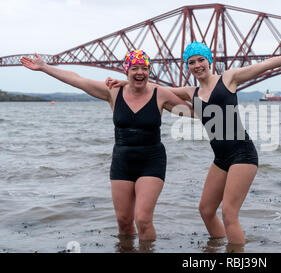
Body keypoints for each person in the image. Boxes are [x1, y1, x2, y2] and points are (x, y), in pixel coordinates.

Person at [106, 33, 281, 247]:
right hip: (221, 158)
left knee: (228, 213)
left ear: (209, 60)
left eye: (200, 60)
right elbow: (151, 90)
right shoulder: (191, 92)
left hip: (242, 153)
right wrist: (127, 81)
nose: (197, 65)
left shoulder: (229, 78)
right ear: (187, 67)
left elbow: (265, 66)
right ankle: (216, 247)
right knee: (206, 210)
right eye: (191, 62)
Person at [20, 50, 192, 243]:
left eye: (144, 68)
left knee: (143, 220)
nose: (140, 72)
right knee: (124, 221)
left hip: (151, 160)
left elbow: (192, 112)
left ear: (149, 71)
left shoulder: (160, 94)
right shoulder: (113, 91)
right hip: (122, 161)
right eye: (134, 68)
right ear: (126, 71)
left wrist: (216, 97)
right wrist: (44, 68)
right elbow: (77, 79)